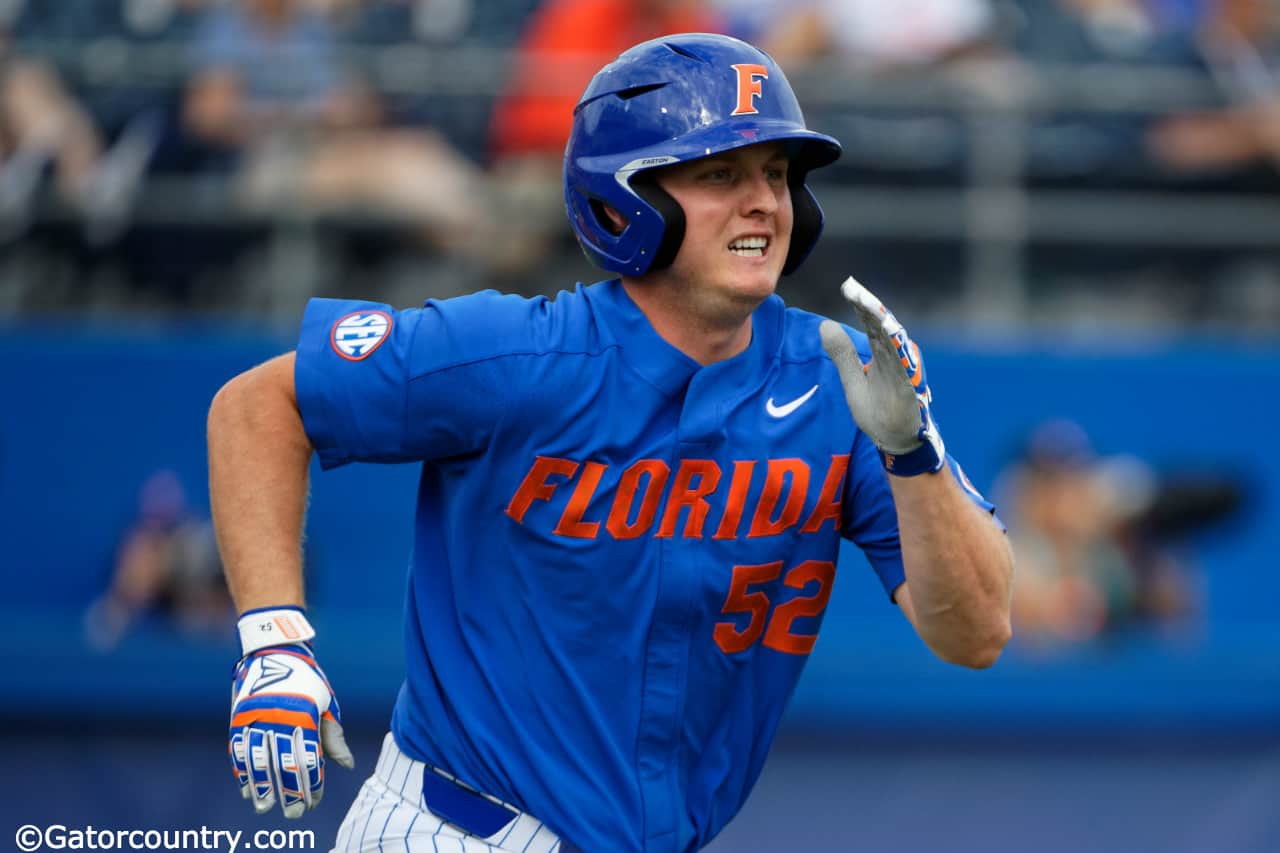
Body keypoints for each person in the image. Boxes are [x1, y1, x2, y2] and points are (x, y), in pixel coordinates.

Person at [208, 32, 1013, 852]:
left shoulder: (840, 383)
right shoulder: (520, 352)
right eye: (719, 175)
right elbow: (259, 405)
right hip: (458, 829)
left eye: (775, 175)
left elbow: (976, 631)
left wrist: (912, 454)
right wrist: (274, 644)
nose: (764, 202)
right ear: (628, 200)